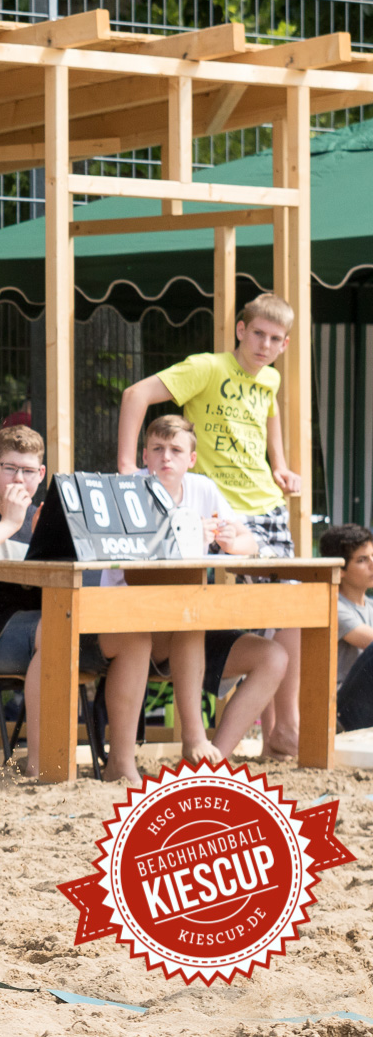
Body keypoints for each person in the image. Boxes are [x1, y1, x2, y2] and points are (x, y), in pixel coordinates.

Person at [116, 293, 304, 759]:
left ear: (284, 345)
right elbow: (136, 393)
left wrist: (279, 465)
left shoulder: (271, 378)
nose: (265, 345)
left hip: (266, 507)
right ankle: (208, 737)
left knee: (296, 609)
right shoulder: (207, 367)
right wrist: (124, 466)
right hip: (216, 510)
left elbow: (267, 424)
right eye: (258, 333)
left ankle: (284, 728)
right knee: (207, 608)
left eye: (275, 339)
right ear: (240, 330)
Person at [0, 425, 152, 784]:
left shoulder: (45, 517)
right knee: (55, 631)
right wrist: (10, 523)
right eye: (10, 468)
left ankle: (120, 765)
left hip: (32, 628)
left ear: (41, 474)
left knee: (133, 637)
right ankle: (41, 765)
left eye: (28, 471)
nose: (19, 478)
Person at [106, 415, 286, 764]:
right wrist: (185, 538)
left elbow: (250, 540)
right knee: (191, 607)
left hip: (190, 623)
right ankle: (194, 738)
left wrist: (234, 541)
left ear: (191, 459)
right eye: (157, 449)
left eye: (175, 450)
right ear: (144, 456)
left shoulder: (203, 489)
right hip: (132, 623)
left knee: (273, 656)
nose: (165, 458)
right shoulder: (127, 488)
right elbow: (122, 558)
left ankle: (212, 759)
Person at [320, 523, 373, 731]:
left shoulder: (370, 605)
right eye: (362, 560)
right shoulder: (334, 606)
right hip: (342, 709)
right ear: (340, 570)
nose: (372, 564)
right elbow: (368, 640)